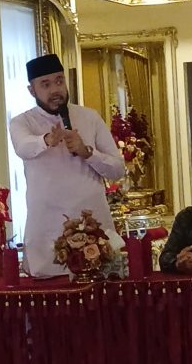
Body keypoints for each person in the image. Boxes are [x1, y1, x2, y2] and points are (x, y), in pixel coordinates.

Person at [9, 54, 125, 277]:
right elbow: (23, 147)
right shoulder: (22, 122)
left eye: (59, 81)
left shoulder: (89, 117)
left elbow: (117, 170)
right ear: (32, 91)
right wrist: (47, 140)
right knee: (50, 291)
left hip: (93, 222)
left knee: (101, 289)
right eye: (46, 84)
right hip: (48, 226)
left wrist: (87, 152)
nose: (55, 89)